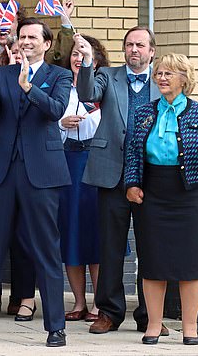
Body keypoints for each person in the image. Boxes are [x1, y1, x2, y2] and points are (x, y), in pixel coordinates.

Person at [0, 17, 71, 347]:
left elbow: (54, 111)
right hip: (1, 172)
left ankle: (56, 326)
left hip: (41, 173)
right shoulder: (1, 73)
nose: (25, 41)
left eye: (32, 37)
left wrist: (28, 86)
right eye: (21, 36)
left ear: (46, 44)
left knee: (46, 250)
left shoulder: (59, 75)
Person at [124, 53, 198, 345]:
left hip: (192, 195)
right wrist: (132, 184)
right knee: (153, 259)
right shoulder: (144, 112)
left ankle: (190, 326)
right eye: (159, 73)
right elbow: (133, 153)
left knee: (191, 261)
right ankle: (153, 325)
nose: (162, 78)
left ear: (184, 79)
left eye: (168, 73)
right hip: (153, 192)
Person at [76, 27, 163, 335]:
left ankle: (149, 316)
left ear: (152, 51)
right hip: (111, 173)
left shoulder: (162, 80)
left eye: (140, 45)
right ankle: (110, 312)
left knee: (150, 247)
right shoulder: (108, 76)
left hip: (150, 176)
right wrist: (87, 62)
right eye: (129, 45)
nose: (134, 49)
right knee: (110, 246)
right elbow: (87, 94)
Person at [58, 35, 110, 322]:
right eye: (75, 54)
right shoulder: (61, 86)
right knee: (72, 232)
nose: (78, 59)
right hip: (68, 160)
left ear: (96, 60)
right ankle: (78, 302)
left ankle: (100, 303)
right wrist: (61, 124)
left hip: (95, 161)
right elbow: (48, 121)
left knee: (96, 234)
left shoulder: (104, 89)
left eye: (85, 55)